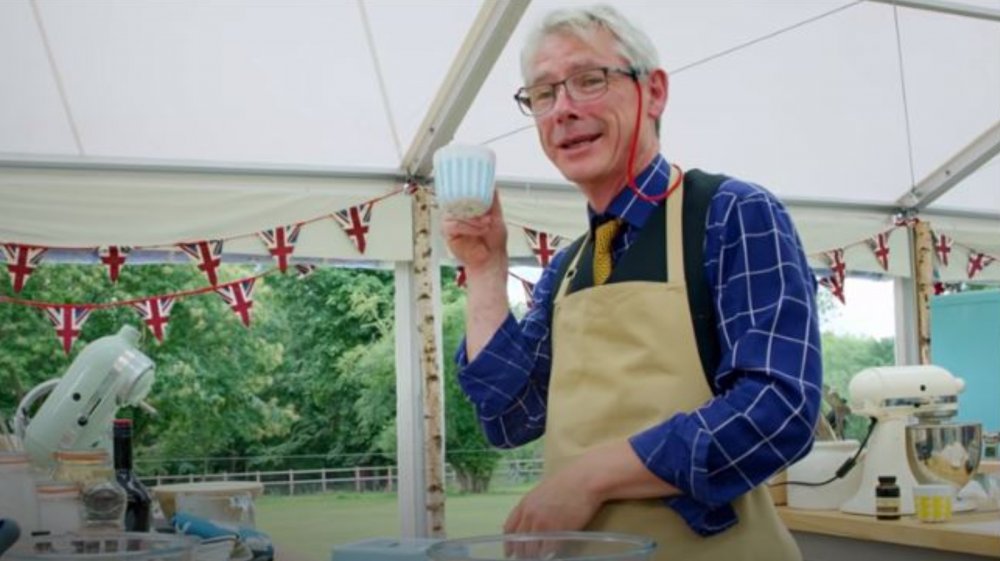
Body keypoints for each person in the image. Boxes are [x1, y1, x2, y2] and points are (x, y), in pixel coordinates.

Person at [442, 5, 821, 561]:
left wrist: (589, 477)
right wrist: (484, 269)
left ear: (655, 91)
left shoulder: (729, 213)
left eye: (589, 80)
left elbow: (778, 409)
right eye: (542, 94)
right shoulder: (569, 267)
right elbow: (507, 416)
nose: (563, 110)